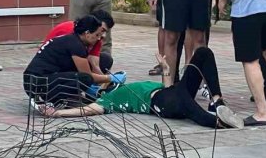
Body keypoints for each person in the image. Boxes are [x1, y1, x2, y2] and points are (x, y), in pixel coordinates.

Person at [35, 48, 243, 130]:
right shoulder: (109, 100)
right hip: (161, 104)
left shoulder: (127, 87)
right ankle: (215, 121)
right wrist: (58, 113)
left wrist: (166, 69)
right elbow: (87, 111)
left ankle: (218, 101)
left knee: (203, 53)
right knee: (185, 103)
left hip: (169, 93)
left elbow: (167, 86)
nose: (109, 80)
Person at [23, 15, 126, 106]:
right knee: (85, 78)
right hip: (36, 83)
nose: (99, 38)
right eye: (97, 35)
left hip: (43, 78)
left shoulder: (74, 39)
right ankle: (49, 98)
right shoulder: (76, 45)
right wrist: (111, 78)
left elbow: (93, 65)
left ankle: (73, 95)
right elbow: (88, 75)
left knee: (104, 60)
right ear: (87, 33)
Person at [44, 10, 115, 74]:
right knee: (84, 76)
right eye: (102, 30)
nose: (103, 35)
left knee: (106, 60)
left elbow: (95, 64)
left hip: (74, 59)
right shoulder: (71, 32)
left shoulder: (97, 37)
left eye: (105, 31)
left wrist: (106, 80)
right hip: (53, 63)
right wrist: (106, 79)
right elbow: (86, 73)